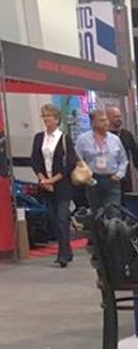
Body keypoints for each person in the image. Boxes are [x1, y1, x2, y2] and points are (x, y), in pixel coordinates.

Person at [29, 103, 76, 267]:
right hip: (45, 184)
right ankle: (66, 251)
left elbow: (69, 163)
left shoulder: (64, 138)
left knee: (62, 218)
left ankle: (63, 254)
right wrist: (43, 179)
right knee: (54, 219)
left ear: (57, 119)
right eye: (44, 116)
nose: (46, 119)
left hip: (62, 184)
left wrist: (53, 180)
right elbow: (35, 160)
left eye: (49, 116)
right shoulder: (39, 138)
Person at [74, 109, 128, 210]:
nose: (106, 123)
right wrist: (85, 177)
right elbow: (77, 160)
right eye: (102, 120)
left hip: (112, 180)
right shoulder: (83, 140)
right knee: (96, 212)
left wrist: (119, 174)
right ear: (93, 123)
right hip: (93, 180)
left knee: (113, 211)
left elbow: (123, 160)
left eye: (106, 120)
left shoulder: (115, 139)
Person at [106, 104, 138, 196]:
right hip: (108, 176)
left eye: (120, 116)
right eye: (116, 117)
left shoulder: (127, 135)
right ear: (108, 117)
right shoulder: (103, 135)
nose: (119, 119)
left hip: (125, 177)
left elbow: (135, 155)